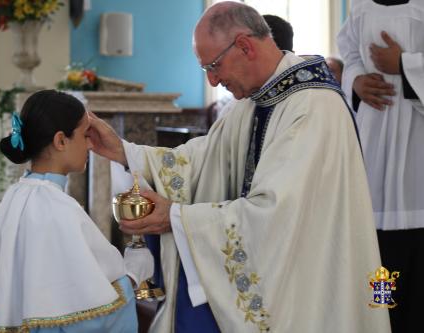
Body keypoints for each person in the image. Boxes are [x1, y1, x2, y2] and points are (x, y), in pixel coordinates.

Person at [88, 2, 390, 332]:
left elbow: (277, 214)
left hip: (304, 285)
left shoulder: (313, 107)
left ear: (245, 46)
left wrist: (175, 216)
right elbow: (202, 158)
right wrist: (125, 151)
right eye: (207, 71)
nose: (214, 81)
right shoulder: (258, 98)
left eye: (213, 67)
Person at [0, 90, 153, 333]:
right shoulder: (58, 208)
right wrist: (133, 272)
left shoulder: (15, 196)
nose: (90, 144)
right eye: (85, 135)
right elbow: (95, 316)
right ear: (60, 141)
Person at [337, 1, 424, 332]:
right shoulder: (360, 7)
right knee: (381, 284)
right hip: (375, 146)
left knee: (416, 298)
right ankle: (379, 321)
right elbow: (350, 56)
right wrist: (356, 81)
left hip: (417, 151)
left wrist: (404, 64)